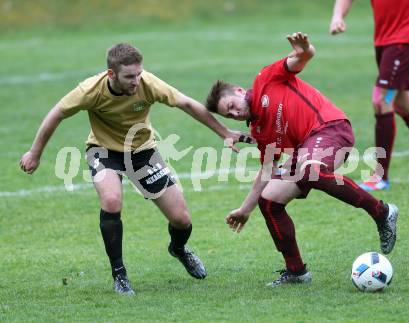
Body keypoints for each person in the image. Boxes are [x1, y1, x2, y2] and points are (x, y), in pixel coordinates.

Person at [19, 43, 251, 295]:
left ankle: (179, 249)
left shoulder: (147, 83)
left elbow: (186, 103)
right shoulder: (90, 90)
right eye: (129, 76)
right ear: (112, 75)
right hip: (103, 151)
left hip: (143, 152)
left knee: (182, 220)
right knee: (111, 200)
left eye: (139, 74)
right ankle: (119, 274)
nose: (136, 81)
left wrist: (224, 132)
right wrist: (35, 153)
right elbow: (57, 113)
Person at [204, 32, 399, 287]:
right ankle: (296, 271)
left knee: (310, 170)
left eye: (231, 105)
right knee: (270, 200)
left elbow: (301, 58)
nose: (234, 113)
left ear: (240, 91)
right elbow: (266, 170)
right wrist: (245, 209)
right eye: (228, 115)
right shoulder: (259, 131)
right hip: (307, 151)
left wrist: (305, 49)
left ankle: (382, 212)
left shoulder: (266, 79)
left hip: (331, 128)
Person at [329, 0, 409, 191]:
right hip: (384, 39)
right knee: (404, 103)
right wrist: (337, 16)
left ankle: (380, 176)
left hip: (406, 37)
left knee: (381, 100)